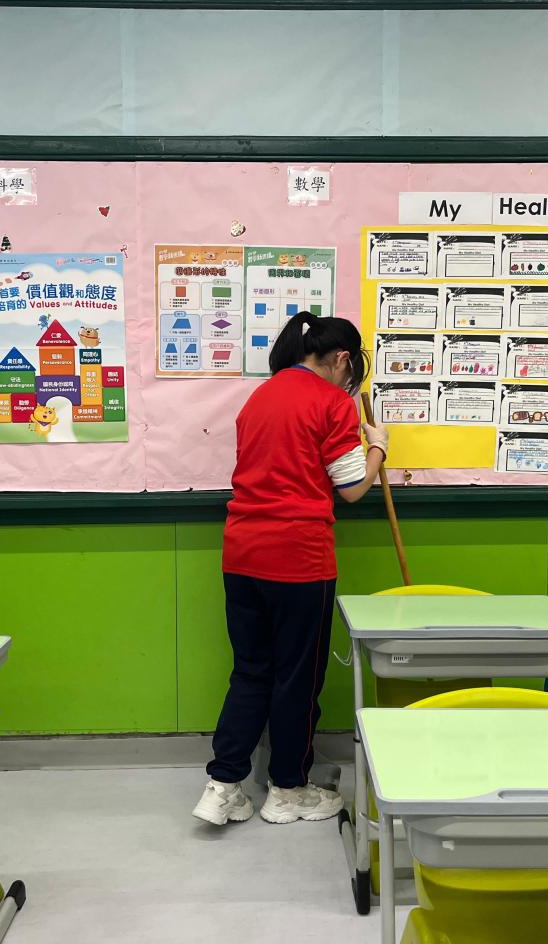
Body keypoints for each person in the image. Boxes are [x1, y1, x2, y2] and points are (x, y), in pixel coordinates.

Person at [192, 311, 388, 827]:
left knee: (251, 671)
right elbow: (352, 488)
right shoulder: (333, 403)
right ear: (342, 359)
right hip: (300, 559)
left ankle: (223, 785)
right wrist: (378, 447)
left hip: (242, 554)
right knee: (297, 680)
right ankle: (287, 789)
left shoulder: (261, 396)